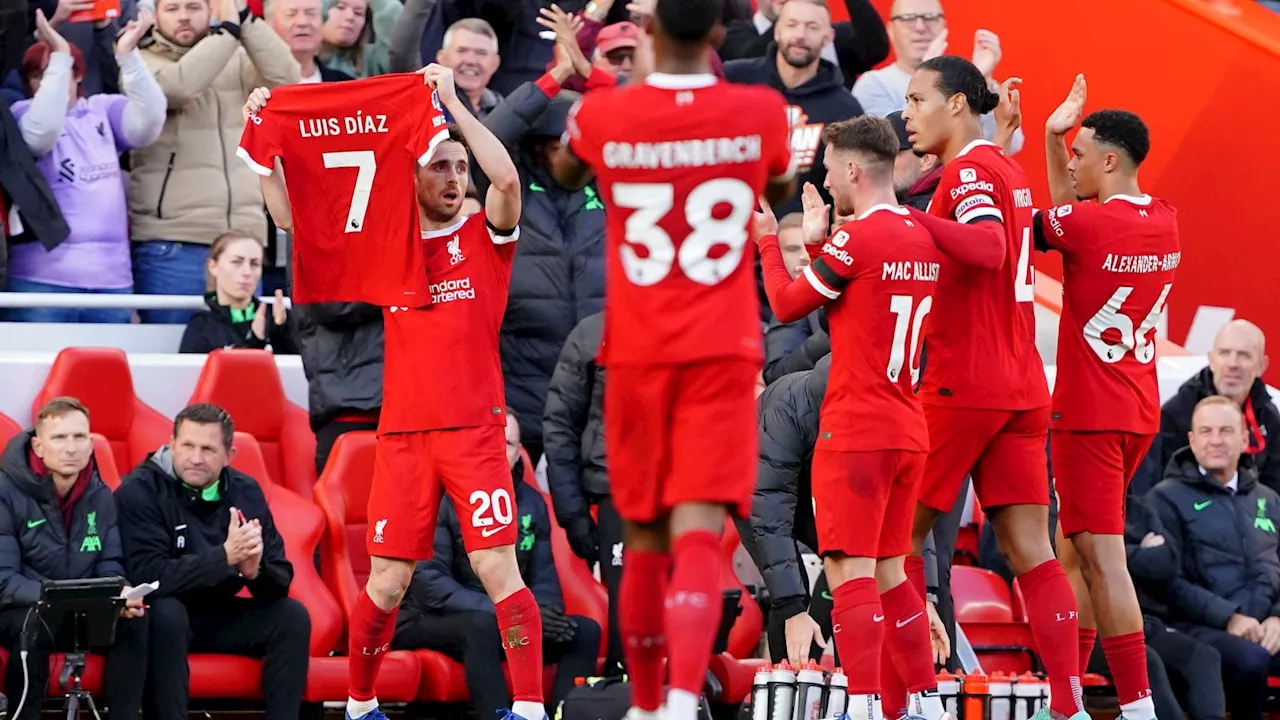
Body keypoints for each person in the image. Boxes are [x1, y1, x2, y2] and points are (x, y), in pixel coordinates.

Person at [241, 63, 541, 720]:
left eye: (460, 167)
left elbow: (509, 180)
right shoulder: (385, 239)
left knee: (498, 569)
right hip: (403, 432)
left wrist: (452, 105)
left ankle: (526, 708)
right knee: (387, 579)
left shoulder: (484, 234)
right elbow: (293, 218)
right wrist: (263, 140)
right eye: (439, 166)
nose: (455, 178)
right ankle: (359, 703)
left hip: (473, 428)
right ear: (410, 173)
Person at [550, 0, 795, 717]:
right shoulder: (757, 109)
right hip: (720, 349)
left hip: (636, 350)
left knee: (643, 543)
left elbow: (565, 172)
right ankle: (685, 701)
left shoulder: (608, 116)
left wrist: (586, 79)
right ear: (722, 32)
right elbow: (777, 186)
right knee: (698, 532)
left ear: (650, 29)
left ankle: (650, 704)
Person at [754, 114, 998, 720]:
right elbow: (855, 308)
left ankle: (861, 705)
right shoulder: (924, 234)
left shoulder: (857, 238)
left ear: (855, 169)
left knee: (848, 570)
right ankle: (923, 702)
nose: (828, 180)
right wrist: (816, 242)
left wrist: (766, 240)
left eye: (832, 168)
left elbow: (788, 304)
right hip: (908, 426)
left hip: (856, 427)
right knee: (894, 571)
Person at [899, 55, 1085, 720]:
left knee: (895, 543)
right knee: (1032, 552)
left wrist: (903, 216)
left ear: (956, 105)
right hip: (1021, 386)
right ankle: (1066, 705)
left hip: (962, 386)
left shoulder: (971, 170)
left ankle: (912, 700)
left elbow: (987, 248)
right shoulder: (1002, 166)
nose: (907, 112)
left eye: (919, 100)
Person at [1028, 74, 1181, 720]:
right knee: (1075, 552)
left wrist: (1039, 136)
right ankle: (1065, 702)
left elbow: (1043, 227)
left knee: (1102, 557)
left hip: (1087, 415)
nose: (1071, 161)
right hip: (1136, 407)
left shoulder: (1086, 226)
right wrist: (1058, 138)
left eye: (1080, 153)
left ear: (1110, 160)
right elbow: (1074, 223)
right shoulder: (1165, 220)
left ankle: (1139, 706)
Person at [394, 409, 603, 716]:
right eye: (486, 441)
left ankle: (561, 714)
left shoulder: (532, 503)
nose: (496, 451)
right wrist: (515, 613)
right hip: (426, 618)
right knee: (483, 626)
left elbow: (544, 578)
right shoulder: (436, 495)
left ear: (519, 453)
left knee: (583, 631)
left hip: (503, 617)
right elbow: (430, 586)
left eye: (506, 443)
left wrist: (541, 613)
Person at [115, 403, 310, 720]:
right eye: (187, 446)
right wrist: (224, 557)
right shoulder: (139, 491)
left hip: (215, 616)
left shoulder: (246, 491)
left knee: (291, 617)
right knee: (167, 613)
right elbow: (146, 576)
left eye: (208, 449)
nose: (195, 458)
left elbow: (280, 580)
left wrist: (254, 572)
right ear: (172, 444)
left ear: (229, 454)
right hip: (160, 616)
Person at [129, 0, 298, 324]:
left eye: (193, 7)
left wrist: (244, 17)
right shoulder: (141, 59)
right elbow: (178, 87)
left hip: (242, 241)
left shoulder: (235, 56)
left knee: (242, 358)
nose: (183, 17)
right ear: (155, 16)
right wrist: (228, 32)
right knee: (172, 359)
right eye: (172, 8)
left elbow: (287, 79)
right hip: (174, 243)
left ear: (212, 10)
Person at [6, 11, 163, 323]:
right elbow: (42, 133)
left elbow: (149, 123)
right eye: (39, 75)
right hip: (41, 282)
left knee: (107, 373)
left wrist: (129, 57)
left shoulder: (102, 109)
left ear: (78, 74)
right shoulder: (21, 114)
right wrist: (60, 58)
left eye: (60, 71)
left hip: (111, 281)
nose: (49, 80)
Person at [0, 398, 147, 720]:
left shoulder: (100, 494)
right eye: (59, 438)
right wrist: (59, 598)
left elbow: (110, 563)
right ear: (38, 446)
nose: (71, 448)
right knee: (33, 625)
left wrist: (119, 593)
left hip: (79, 610)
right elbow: (5, 583)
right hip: (19, 612)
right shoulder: (4, 492)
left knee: (135, 624)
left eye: (79, 437)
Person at [1148, 396, 1280, 720]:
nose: (1216, 440)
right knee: (1249, 660)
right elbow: (1169, 583)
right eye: (1206, 431)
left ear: (1244, 439)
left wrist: (1277, 617)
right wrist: (1229, 618)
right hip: (1201, 627)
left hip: (1269, 625)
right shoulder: (1165, 498)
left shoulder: (1268, 499)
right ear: (1191, 440)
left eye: (1226, 430)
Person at [179, 229, 297, 354]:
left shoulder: (278, 316)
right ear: (213, 266)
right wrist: (256, 341)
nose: (247, 272)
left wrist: (280, 331)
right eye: (236, 262)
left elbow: (304, 369)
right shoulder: (202, 325)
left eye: (254, 264)